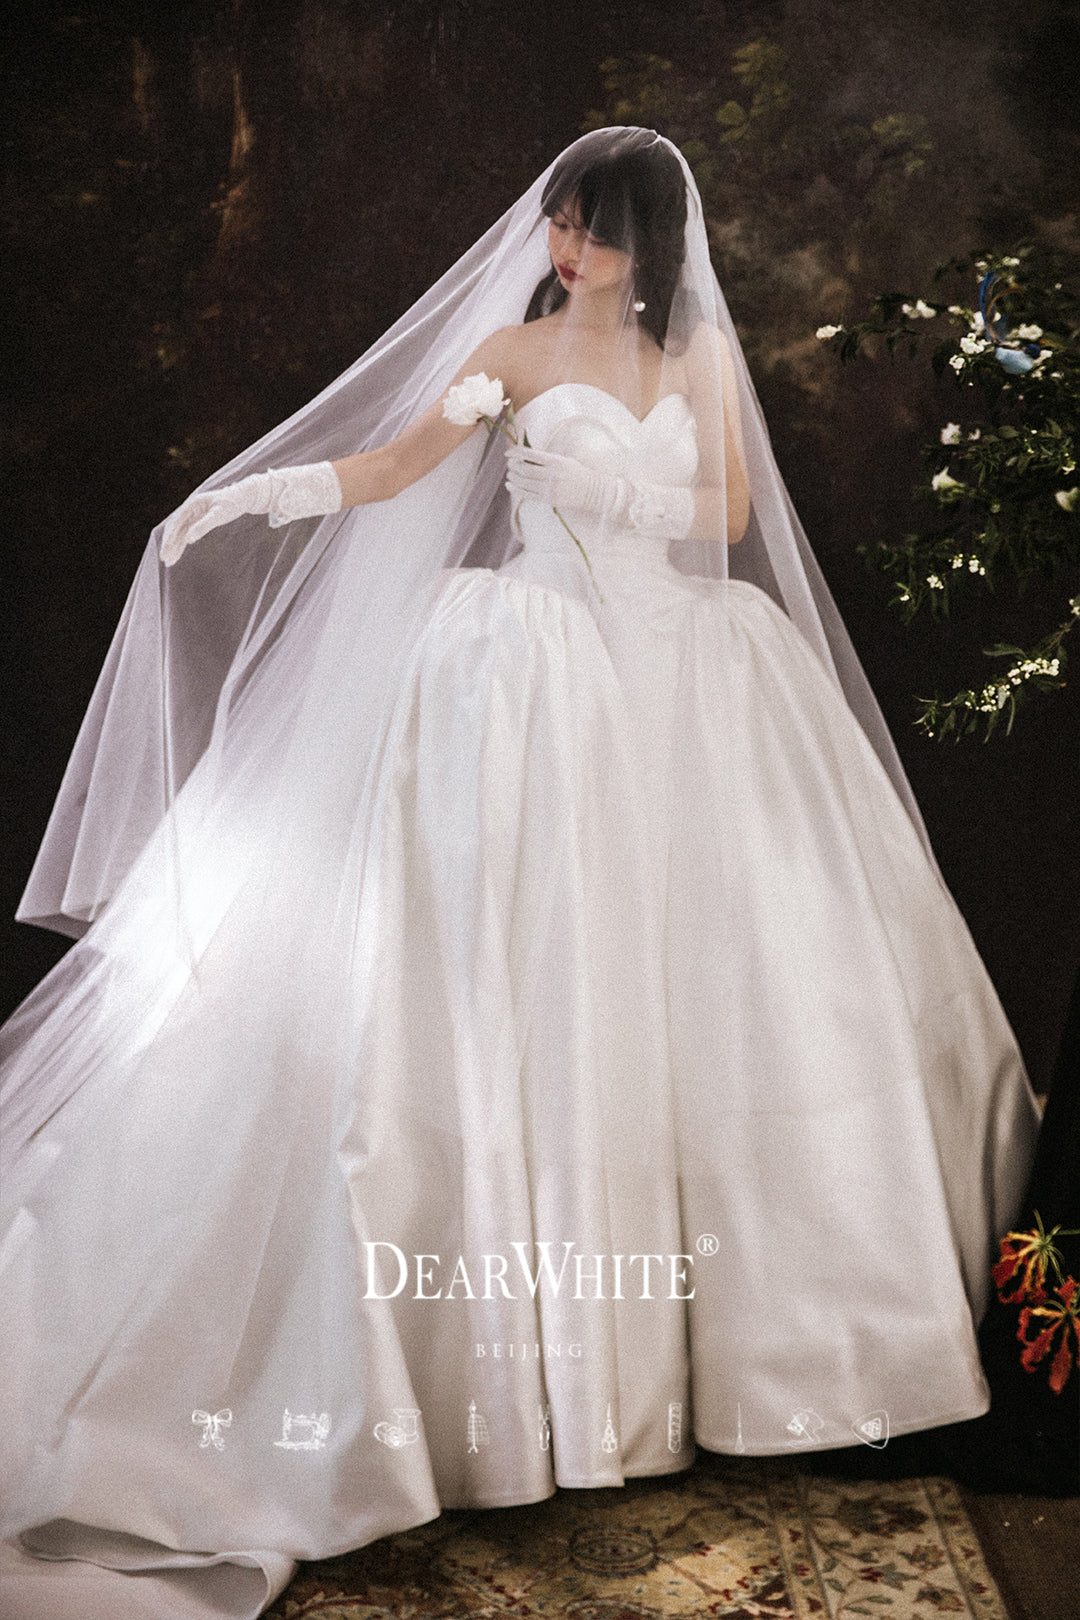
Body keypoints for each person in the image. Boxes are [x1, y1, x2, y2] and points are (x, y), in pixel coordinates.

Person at [0, 128, 1041, 1620]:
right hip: (541, 674)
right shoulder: (512, 351)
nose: (568, 250)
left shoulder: (697, 361)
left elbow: (731, 517)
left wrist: (628, 504)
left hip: (686, 681)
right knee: (531, 984)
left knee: (746, 988)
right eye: (560, 223)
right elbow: (396, 467)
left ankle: (765, 1357)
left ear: (648, 246)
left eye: (595, 232)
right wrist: (248, 498)